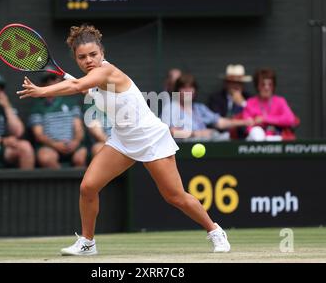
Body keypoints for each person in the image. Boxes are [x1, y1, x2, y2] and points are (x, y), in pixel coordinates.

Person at [17, 24, 231, 255]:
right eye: (82, 57)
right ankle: (88, 242)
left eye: (93, 55)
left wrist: (42, 91)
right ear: (76, 59)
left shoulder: (108, 72)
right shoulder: (95, 80)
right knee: (88, 187)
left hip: (151, 139)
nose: (88, 60)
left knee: (175, 196)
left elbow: (77, 85)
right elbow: (87, 90)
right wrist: (82, 87)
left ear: (102, 53)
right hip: (122, 141)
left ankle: (215, 231)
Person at [161, 73, 253, 141]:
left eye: (190, 88)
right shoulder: (170, 108)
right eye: (184, 88)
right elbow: (171, 132)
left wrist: (244, 122)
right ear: (177, 91)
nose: (187, 91)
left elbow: (220, 122)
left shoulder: (199, 108)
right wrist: (196, 134)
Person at [28, 73, 87, 168]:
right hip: (49, 146)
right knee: (46, 158)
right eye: (47, 80)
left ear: (59, 80)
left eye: (53, 78)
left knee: (80, 158)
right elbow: (38, 134)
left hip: (73, 145)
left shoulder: (71, 102)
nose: (51, 82)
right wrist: (55, 145)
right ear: (43, 84)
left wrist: (75, 141)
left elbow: (78, 128)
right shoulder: (37, 107)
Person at [242, 68, 297, 141]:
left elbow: (290, 119)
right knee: (257, 132)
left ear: (273, 86)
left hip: (276, 137)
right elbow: (248, 124)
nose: (266, 87)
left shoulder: (280, 101)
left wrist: (265, 119)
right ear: (257, 86)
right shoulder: (250, 102)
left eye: (270, 84)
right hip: (256, 139)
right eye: (263, 84)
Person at [208, 64, 252, 139]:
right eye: (233, 82)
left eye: (239, 83)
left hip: (244, 136)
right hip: (222, 135)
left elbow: (253, 119)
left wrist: (243, 104)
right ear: (226, 83)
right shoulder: (216, 98)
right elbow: (216, 121)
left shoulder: (249, 98)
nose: (236, 86)